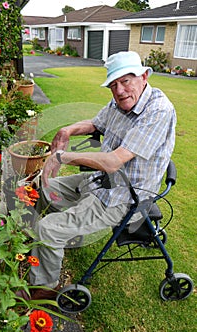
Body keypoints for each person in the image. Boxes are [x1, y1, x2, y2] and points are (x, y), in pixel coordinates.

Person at [17, 51, 177, 301]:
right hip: (101, 182)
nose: (120, 90)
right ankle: (35, 246)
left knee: (48, 228)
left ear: (144, 76)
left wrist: (62, 157)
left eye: (126, 80)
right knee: (39, 187)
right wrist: (67, 130)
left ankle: (44, 288)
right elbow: (95, 124)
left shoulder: (158, 111)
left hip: (124, 196)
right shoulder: (120, 102)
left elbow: (113, 162)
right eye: (114, 84)